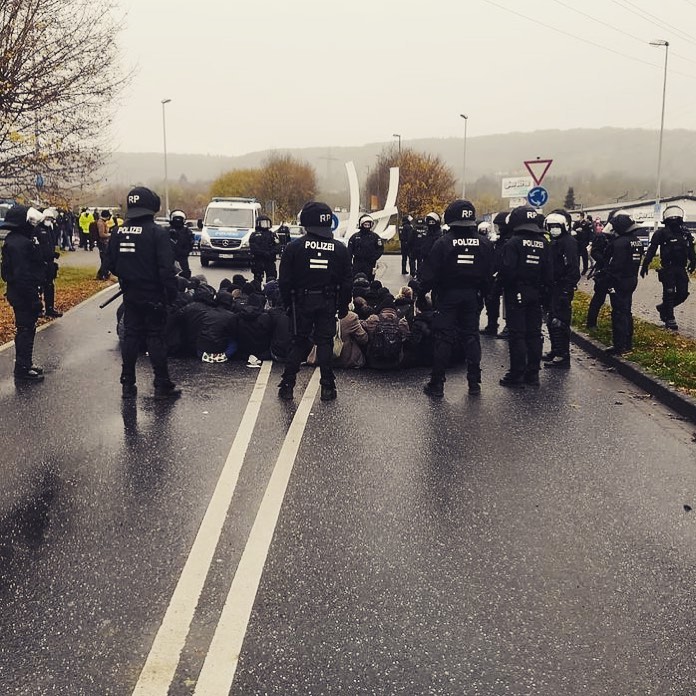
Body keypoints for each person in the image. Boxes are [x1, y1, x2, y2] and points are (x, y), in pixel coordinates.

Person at [107, 186, 181, 400]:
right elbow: (167, 269)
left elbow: (110, 263)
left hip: (130, 293)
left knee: (131, 336)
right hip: (154, 294)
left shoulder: (118, 231)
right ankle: (162, 384)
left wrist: (128, 276)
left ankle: (128, 384)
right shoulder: (157, 233)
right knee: (155, 337)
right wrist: (171, 294)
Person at [418, 199, 494, 397]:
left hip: (448, 296)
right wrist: (484, 296)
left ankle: (437, 383)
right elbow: (489, 273)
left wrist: (421, 293)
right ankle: (474, 383)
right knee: (471, 336)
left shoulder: (443, 242)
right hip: (472, 296)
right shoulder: (484, 243)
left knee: (444, 338)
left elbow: (429, 274)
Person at [278, 201, 352, 402]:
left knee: (299, 342)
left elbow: (284, 280)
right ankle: (328, 387)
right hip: (328, 302)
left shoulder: (294, 247)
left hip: (301, 302)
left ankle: (287, 385)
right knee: (325, 343)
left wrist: (287, 304)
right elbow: (347, 282)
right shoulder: (340, 249)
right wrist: (343, 305)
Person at [498, 205, 553, 387]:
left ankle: (516, 375)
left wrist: (497, 290)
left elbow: (507, 272)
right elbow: (548, 273)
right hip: (536, 293)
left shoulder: (513, 243)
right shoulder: (544, 243)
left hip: (517, 293)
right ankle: (533, 374)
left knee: (518, 335)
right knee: (534, 334)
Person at [0, 205, 47, 380]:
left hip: (19, 292)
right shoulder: (20, 244)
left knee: (26, 328)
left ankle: (25, 363)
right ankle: (22, 368)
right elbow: (23, 275)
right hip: (23, 293)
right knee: (25, 329)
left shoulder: (14, 240)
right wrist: (33, 298)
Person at [640, 205, 696, 331]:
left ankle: (663, 308)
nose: (674, 219)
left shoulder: (685, 233)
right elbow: (652, 249)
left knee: (683, 293)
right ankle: (670, 318)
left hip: (681, 268)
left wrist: (693, 261)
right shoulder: (660, 233)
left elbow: (690, 248)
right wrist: (645, 264)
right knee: (669, 293)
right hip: (668, 267)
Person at [543, 211, 580, 369]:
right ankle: (555, 350)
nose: (553, 229)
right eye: (551, 226)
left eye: (556, 226)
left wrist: (566, 289)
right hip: (553, 286)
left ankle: (563, 355)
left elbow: (572, 268)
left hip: (562, 286)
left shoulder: (568, 242)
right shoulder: (554, 242)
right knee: (552, 319)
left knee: (560, 321)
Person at [603, 211, 644, 354]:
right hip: (631, 279)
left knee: (619, 313)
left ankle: (619, 345)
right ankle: (627, 342)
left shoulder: (620, 243)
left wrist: (608, 282)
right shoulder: (636, 241)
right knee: (627, 311)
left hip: (619, 281)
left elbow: (615, 265)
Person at [33, 207, 63, 317]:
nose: (49, 220)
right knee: (39, 287)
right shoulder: (37, 229)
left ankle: (50, 308)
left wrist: (53, 254)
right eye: (48, 218)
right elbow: (37, 247)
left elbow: (50, 245)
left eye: (51, 218)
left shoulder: (50, 229)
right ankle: (38, 309)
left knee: (50, 286)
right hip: (40, 263)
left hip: (50, 262)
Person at [347, 214, 383, 280]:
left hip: (370, 263)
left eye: (368, 225)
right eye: (365, 225)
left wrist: (374, 258)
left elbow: (380, 249)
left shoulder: (375, 237)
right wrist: (350, 264)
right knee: (356, 279)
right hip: (358, 263)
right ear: (361, 225)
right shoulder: (355, 237)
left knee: (369, 280)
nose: (367, 226)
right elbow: (349, 250)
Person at [248, 214, 279, 284]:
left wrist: (271, 252)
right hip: (258, 260)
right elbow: (253, 247)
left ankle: (271, 291)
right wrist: (263, 253)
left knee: (272, 278)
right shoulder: (254, 235)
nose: (265, 225)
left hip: (269, 260)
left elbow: (278, 246)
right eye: (263, 223)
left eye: (267, 223)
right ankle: (258, 291)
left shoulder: (272, 234)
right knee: (257, 279)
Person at [167, 209, 195, 279]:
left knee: (184, 275)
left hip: (181, 258)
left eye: (179, 219)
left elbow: (190, 245)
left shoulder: (187, 232)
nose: (178, 221)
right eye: (176, 219)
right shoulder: (166, 231)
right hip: (169, 259)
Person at [96, 209, 112, 280]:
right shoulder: (101, 223)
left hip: (104, 242)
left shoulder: (103, 222)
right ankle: (102, 274)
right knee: (105, 259)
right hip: (102, 243)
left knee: (105, 259)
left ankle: (103, 273)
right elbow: (101, 234)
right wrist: (110, 235)